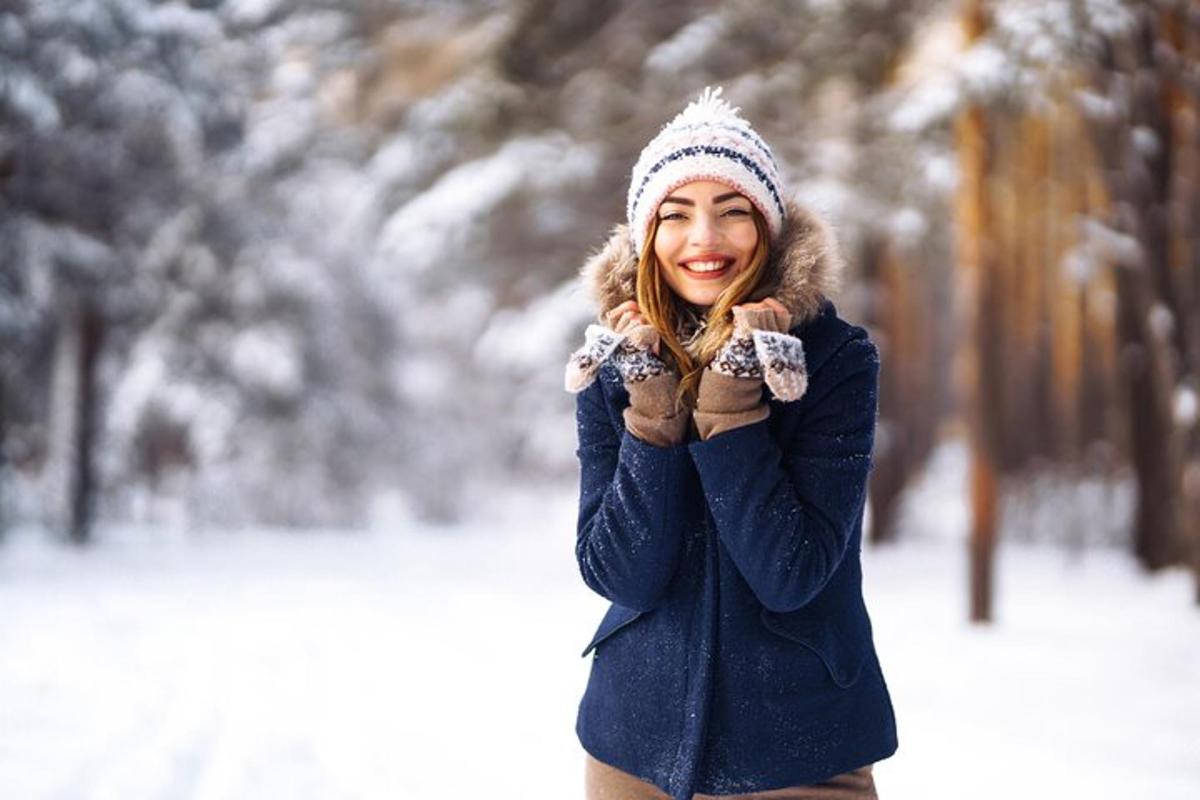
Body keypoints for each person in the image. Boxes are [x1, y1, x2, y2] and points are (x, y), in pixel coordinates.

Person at [563, 87, 898, 800]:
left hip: (799, 749)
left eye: (731, 211)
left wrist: (736, 403)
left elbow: (790, 573)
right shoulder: (618, 361)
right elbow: (620, 573)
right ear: (646, 235)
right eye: (675, 216)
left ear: (769, 228)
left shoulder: (834, 360)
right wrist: (651, 410)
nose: (703, 240)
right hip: (632, 749)